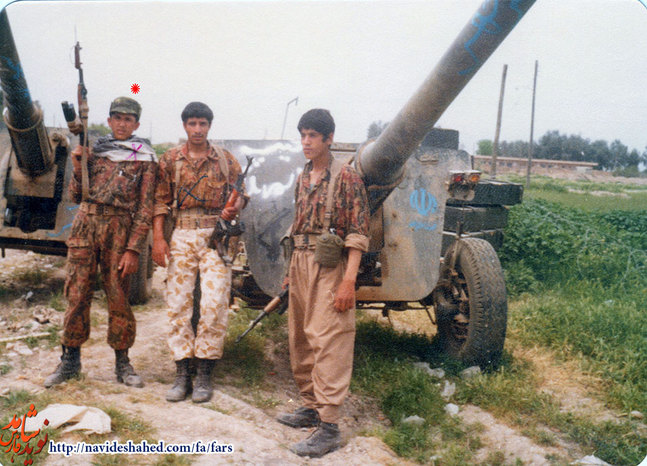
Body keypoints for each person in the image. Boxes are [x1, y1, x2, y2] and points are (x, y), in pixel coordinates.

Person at [45, 97, 157, 388]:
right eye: (117, 118)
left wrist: (133, 248)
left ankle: (123, 362)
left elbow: (145, 207)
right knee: (76, 293)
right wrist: (77, 164)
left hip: (119, 229)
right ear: (109, 121)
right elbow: (75, 195)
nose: (122, 124)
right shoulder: (94, 151)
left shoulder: (144, 157)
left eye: (128, 119)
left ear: (136, 125)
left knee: (118, 296)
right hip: (85, 225)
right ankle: (70, 361)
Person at [277, 109, 369, 457]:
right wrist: (290, 271)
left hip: (330, 266)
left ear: (329, 139)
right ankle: (310, 406)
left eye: (313, 136)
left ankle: (329, 426)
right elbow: (298, 224)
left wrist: (348, 281)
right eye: (302, 135)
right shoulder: (303, 176)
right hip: (301, 262)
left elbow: (358, 233)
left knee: (330, 339)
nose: (306, 142)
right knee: (301, 337)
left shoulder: (347, 177)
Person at [152, 101, 246, 403]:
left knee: (214, 303)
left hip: (216, 237)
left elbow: (242, 194)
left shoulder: (225, 159)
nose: (197, 129)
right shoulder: (170, 160)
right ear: (185, 126)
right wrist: (158, 239)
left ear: (209, 126)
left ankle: (204, 372)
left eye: (202, 124)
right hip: (181, 234)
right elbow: (160, 202)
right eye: (192, 123)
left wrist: (234, 207)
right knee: (178, 304)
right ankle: (182, 372)